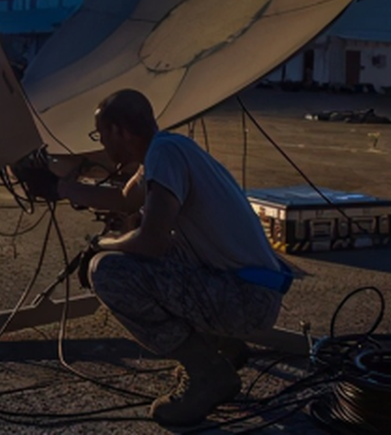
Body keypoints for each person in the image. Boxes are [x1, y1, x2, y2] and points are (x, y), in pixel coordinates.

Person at [53, 88, 290, 426]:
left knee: (107, 272)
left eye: (101, 134)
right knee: (158, 257)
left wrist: (102, 246)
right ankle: (223, 346)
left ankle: (207, 372)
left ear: (119, 130)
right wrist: (59, 188)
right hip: (248, 291)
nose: (101, 144)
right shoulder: (167, 150)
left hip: (246, 301)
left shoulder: (164, 154)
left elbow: (151, 241)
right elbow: (124, 200)